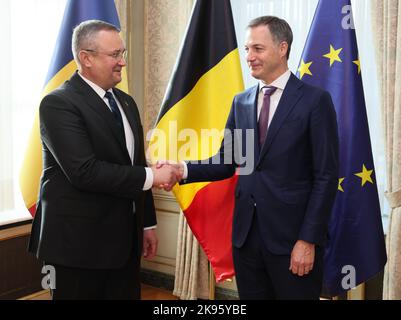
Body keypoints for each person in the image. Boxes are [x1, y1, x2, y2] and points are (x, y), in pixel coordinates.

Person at [162, 16, 339, 299]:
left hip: (292, 241)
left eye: (257, 48)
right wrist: (181, 169)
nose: (249, 57)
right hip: (246, 240)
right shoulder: (241, 101)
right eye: (246, 49)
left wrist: (307, 240)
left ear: (282, 48)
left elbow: (326, 177)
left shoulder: (314, 102)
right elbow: (228, 160)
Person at [28, 20, 179, 300]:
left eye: (123, 53)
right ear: (86, 58)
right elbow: (84, 171)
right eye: (115, 55)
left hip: (124, 245)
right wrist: (153, 177)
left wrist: (146, 224)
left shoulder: (125, 102)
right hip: (76, 248)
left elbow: (135, 165)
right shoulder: (58, 104)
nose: (122, 62)